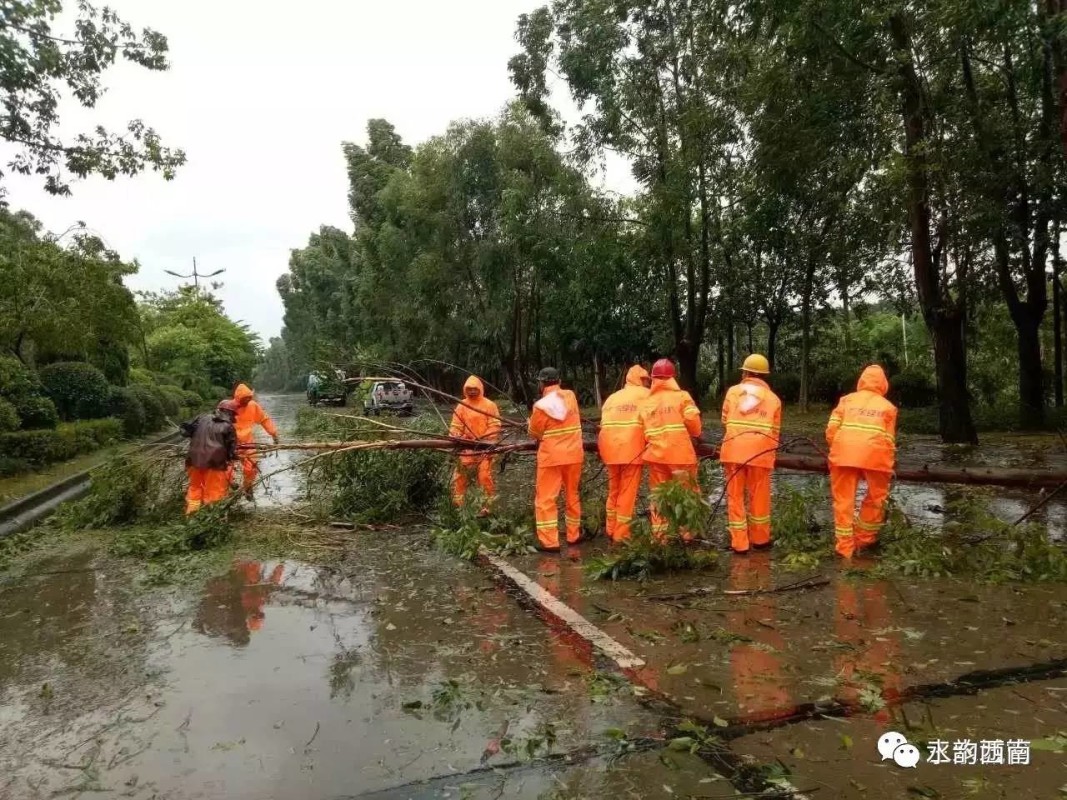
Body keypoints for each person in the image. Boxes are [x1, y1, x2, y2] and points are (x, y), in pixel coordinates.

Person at [826, 364, 897, 558]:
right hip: (876, 456)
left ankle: (844, 549)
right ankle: (864, 541)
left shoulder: (846, 401)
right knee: (876, 497)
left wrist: (840, 449)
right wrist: (887, 465)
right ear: (884, 384)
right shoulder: (888, 407)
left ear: (861, 381)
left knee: (843, 501)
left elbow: (831, 431)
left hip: (843, 454)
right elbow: (889, 440)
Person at [719, 354, 782, 554]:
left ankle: (740, 544)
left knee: (735, 497)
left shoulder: (733, 392)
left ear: (745, 372)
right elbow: (775, 430)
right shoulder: (774, 399)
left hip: (734, 450)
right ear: (765, 376)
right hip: (761, 453)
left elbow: (724, 419)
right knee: (760, 496)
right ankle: (761, 540)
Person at [638, 358, 702, 542]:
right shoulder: (682, 397)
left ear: (653, 379)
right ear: (672, 377)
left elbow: (643, 431)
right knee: (687, 494)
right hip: (681, 455)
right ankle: (688, 535)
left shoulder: (647, 402)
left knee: (659, 497)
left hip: (657, 456)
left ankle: (660, 537)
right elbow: (694, 425)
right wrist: (695, 434)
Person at [528, 367, 584, 552]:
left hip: (551, 457)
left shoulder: (540, 406)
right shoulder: (570, 396)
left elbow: (535, 433)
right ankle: (573, 535)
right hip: (574, 454)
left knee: (546, 499)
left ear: (542, 383)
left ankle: (549, 542)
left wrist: (529, 424)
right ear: (558, 380)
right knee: (572, 495)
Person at [597, 364, 651, 543]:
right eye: (646, 380)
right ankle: (621, 535)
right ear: (641, 380)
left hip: (609, 450)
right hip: (631, 451)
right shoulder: (646, 395)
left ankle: (610, 529)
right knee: (627, 493)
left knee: (614, 491)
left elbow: (604, 424)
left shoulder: (612, 398)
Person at [448, 375, 502, 513]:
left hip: (485, 447)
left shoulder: (489, 405)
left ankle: (486, 506)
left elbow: (495, 425)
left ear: (480, 389)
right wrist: (456, 435)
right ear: (465, 390)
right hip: (467, 447)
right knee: (460, 475)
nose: (472, 391)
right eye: (469, 389)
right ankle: (458, 506)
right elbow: (455, 426)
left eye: (474, 389)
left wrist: (483, 438)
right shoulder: (461, 405)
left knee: (484, 476)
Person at [180, 400, 239, 515]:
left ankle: (192, 515)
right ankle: (212, 517)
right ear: (230, 413)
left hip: (193, 461)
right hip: (214, 464)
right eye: (233, 414)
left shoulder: (202, 418)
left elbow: (187, 431)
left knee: (194, 488)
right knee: (214, 492)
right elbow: (231, 451)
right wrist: (232, 457)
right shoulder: (228, 426)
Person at [231, 383, 279, 500]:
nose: (247, 400)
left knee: (251, 467)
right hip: (231, 442)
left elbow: (264, 419)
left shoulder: (253, 406)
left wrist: (274, 434)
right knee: (226, 468)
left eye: (249, 398)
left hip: (248, 443)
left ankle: (247, 488)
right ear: (238, 398)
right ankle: (231, 484)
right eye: (245, 399)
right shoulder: (229, 407)